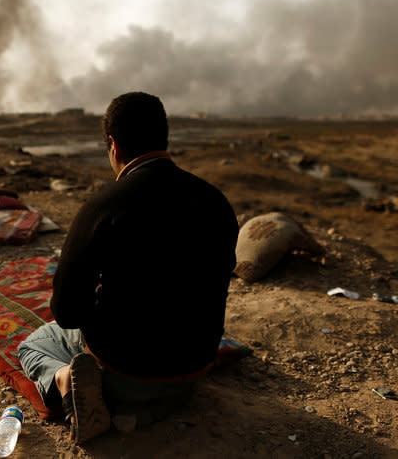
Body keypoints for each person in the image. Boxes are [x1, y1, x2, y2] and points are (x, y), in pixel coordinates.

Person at [17, 91, 239, 443]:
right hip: (194, 371)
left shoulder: (103, 206)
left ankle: (64, 380)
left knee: (35, 343)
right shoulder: (216, 201)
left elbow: (67, 312)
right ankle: (144, 410)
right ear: (164, 138)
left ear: (113, 145)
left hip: (126, 376)